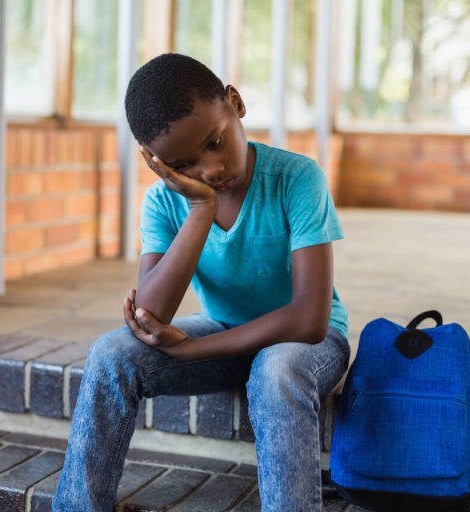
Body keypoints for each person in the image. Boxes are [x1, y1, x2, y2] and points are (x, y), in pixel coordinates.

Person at [53, 53, 350, 512]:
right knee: (110, 354)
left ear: (235, 102)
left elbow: (308, 319)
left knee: (276, 370)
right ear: (159, 164)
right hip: (227, 332)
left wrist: (191, 349)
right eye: (184, 164)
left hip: (309, 345)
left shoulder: (296, 178)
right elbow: (149, 318)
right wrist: (199, 209)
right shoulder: (164, 203)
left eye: (215, 141)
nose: (210, 170)